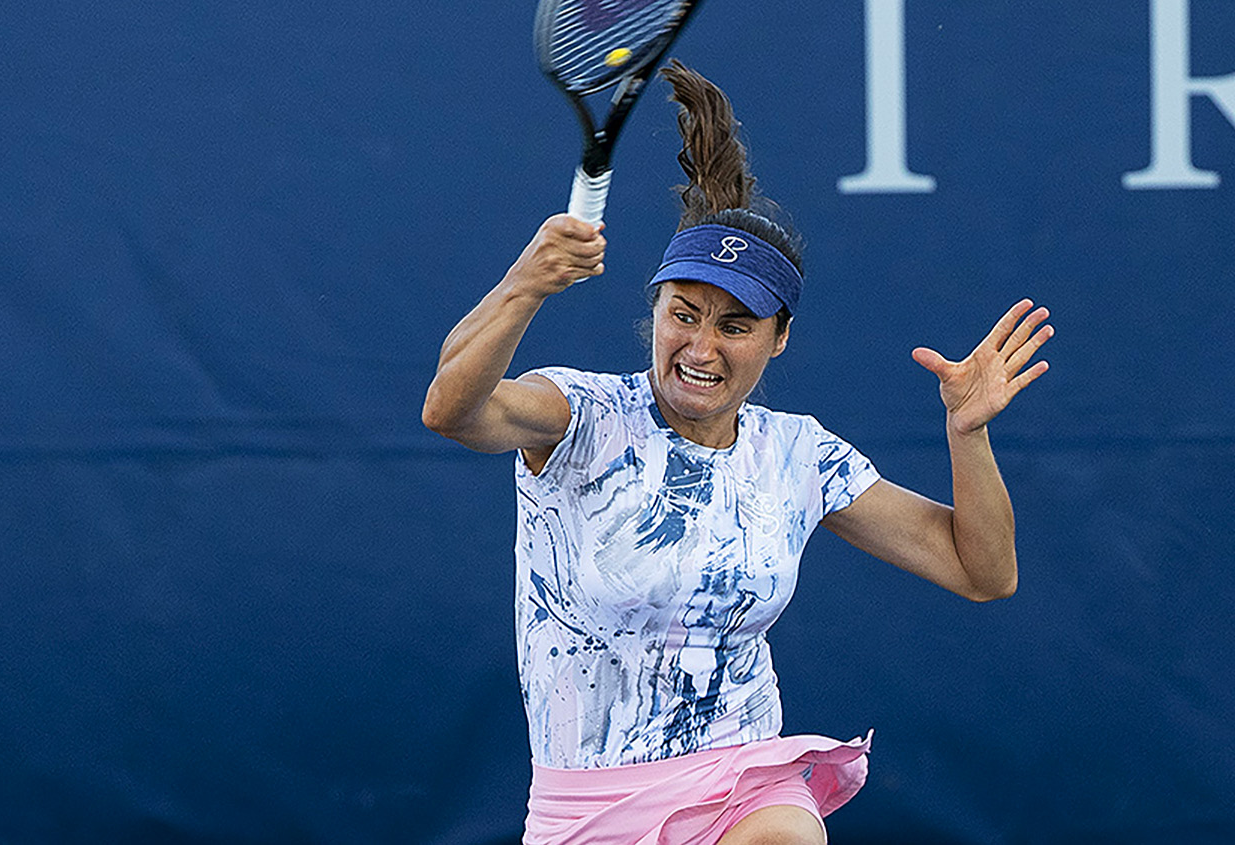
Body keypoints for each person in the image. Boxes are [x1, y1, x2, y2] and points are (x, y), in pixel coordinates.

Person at [421, 60, 1052, 845]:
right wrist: (525, 283)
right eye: (683, 314)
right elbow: (451, 409)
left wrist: (966, 433)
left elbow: (983, 571)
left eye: (734, 325)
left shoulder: (799, 455)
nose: (700, 347)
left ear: (778, 338)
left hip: (743, 780)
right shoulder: (578, 413)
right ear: (653, 310)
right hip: (586, 803)